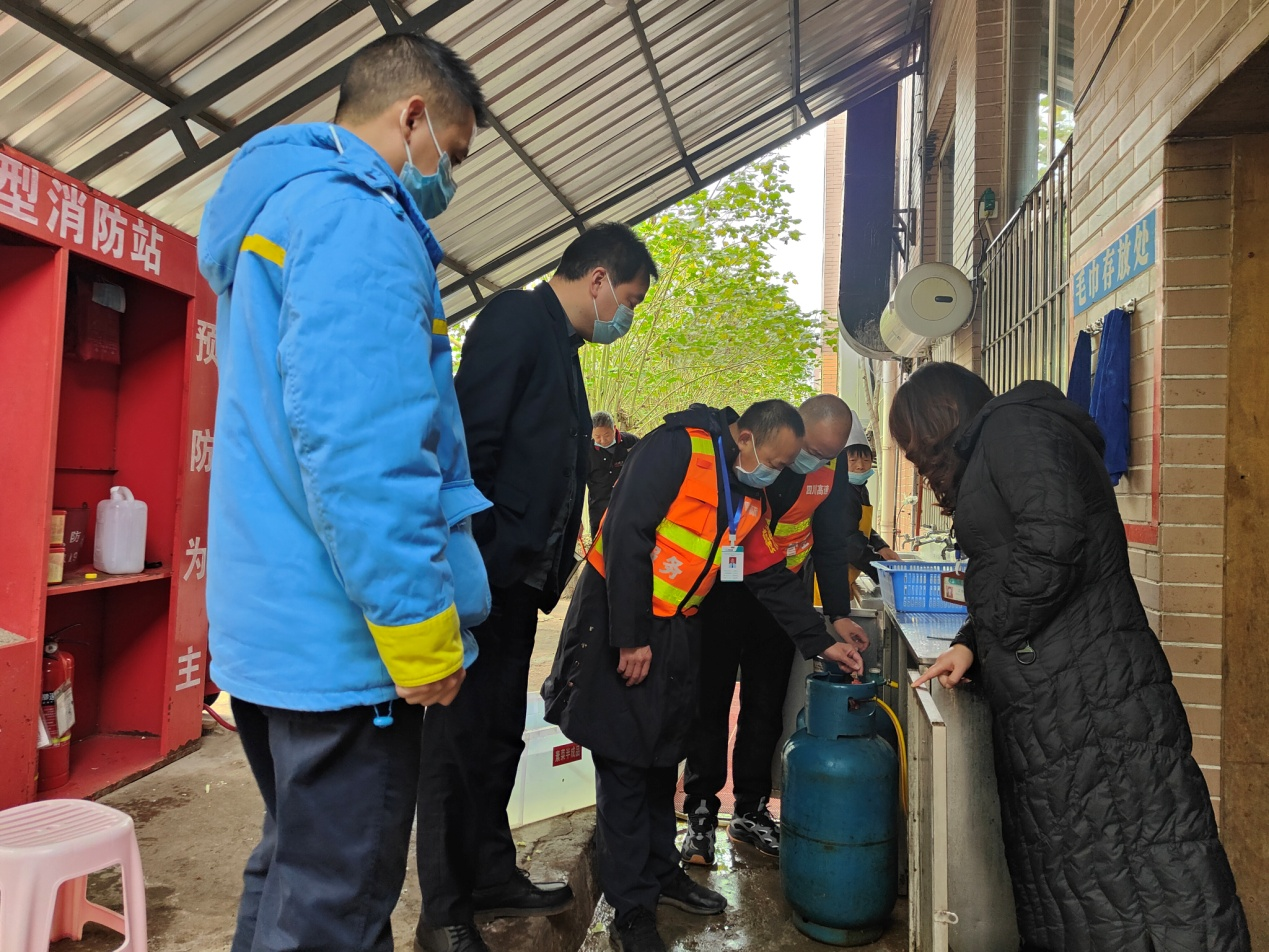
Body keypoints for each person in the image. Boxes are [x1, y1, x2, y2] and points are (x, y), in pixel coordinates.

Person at [196, 34, 490, 952]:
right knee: (336, 904)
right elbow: (365, 453)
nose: (448, 179)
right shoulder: (359, 221)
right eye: (453, 151)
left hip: (275, 631)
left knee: (293, 872)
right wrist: (419, 634)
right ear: (411, 118)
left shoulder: (277, 212)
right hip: (343, 645)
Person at [895, 362, 1250, 952]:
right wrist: (970, 643)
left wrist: (1002, 628)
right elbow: (1013, 561)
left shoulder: (1014, 429)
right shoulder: (999, 441)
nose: (912, 455)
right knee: (1086, 873)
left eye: (911, 438)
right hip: (1061, 698)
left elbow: (1054, 537)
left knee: (1133, 866)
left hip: (1088, 695)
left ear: (939, 416)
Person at [543, 400, 865, 952]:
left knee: (662, 752)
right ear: (745, 438)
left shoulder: (747, 489)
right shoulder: (677, 448)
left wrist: (822, 641)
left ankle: (661, 871)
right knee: (624, 762)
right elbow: (624, 532)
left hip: (679, 627)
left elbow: (766, 571)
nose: (780, 473)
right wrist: (632, 635)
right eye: (777, 460)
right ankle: (631, 910)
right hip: (624, 621)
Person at [416, 224, 658, 952]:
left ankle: (490, 870)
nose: (627, 315)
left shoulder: (564, 345)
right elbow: (469, 450)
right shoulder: (516, 321)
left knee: (497, 734)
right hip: (485, 574)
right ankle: (444, 910)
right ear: (598, 280)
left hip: (518, 585)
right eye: (631, 299)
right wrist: (475, 564)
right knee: (455, 745)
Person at [680, 394, 872, 865]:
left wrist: (838, 613)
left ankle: (750, 809)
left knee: (764, 707)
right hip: (725, 596)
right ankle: (701, 813)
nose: (816, 461)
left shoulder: (829, 469)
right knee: (710, 701)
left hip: (783, 601)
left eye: (829, 455)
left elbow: (830, 543)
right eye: (811, 450)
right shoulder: (759, 455)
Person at [839, 411, 899, 586]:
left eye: (866, 459)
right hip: (833, 572)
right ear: (842, 462)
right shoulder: (842, 492)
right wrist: (879, 569)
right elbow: (849, 540)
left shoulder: (860, 488)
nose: (860, 466)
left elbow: (860, 526)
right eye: (853, 460)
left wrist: (880, 545)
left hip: (850, 569)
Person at [588, 410, 640, 536]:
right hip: (599, 508)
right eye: (597, 436)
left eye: (606, 435)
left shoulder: (631, 442)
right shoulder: (586, 451)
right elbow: (576, 484)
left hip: (628, 506)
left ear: (614, 428)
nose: (603, 440)